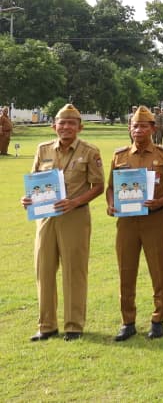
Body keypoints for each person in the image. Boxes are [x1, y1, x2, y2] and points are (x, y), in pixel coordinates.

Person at [22, 104, 104, 341]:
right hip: (45, 218)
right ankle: (46, 325)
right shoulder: (43, 149)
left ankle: (73, 326)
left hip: (75, 217)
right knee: (44, 270)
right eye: (62, 122)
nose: (66, 127)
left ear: (80, 126)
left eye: (71, 123)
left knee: (74, 271)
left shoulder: (89, 151)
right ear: (53, 125)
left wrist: (75, 202)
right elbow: (35, 180)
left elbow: (98, 186)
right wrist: (27, 198)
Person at [106, 106, 163, 341]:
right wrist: (110, 204)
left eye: (143, 126)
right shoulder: (120, 156)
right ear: (130, 129)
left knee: (158, 270)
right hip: (126, 222)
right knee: (126, 271)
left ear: (153, 129)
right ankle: (127, 321)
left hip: (155, 219)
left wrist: (160, 201)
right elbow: (110, 188)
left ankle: (158, 319)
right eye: (134, 126)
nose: (138, 130)